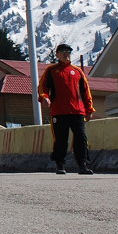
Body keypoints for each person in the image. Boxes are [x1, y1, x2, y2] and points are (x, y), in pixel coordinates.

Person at [39, 44, 95, 175]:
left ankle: (83, 165)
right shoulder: (51, 70)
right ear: (57, 54)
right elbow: (43, 87)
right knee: (61, 139)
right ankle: (60, 164)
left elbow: (86, 91)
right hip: (59, 111)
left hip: (77, 111)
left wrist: (89, 109)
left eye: (69, 52)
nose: (66, 54)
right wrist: (44, 97)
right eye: (63, 52)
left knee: (81, 137)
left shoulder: (77, 71)